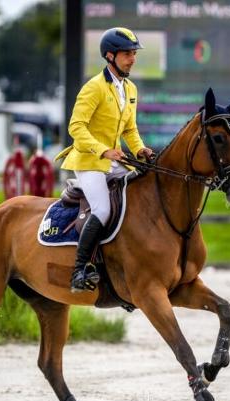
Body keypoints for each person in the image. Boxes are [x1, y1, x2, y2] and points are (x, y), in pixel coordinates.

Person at [55, 27, 153, 293]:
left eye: (134, 54)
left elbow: (130, 130)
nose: (132, 59)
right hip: (89, 161)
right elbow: (76, 127)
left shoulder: (130, 88)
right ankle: (79, 270)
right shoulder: (94, 88)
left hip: (116, 161)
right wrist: (103, 150)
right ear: (110, 56)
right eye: (127, 54)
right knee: (102, 210)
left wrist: (141, 149)